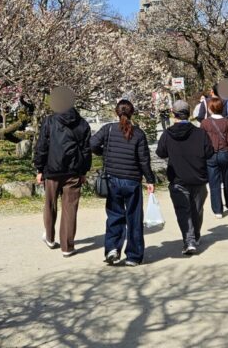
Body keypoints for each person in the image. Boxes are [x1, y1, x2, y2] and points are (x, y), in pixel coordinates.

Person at [92, 99, 157, 266]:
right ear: (132, 112)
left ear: (116, 112)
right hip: (132, 180)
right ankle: (133, 256)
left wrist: (103, 152)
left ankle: (112, 248)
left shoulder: (108, 129)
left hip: (113, 179)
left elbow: (91, 144)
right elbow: (144, 161)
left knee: (114, 215)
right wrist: (150, 180)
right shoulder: (139, 134)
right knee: (134, 218)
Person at [34, 86, 92, 257]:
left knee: (50, 205)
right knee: (70, 208)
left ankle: (50, 238)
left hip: (52, 170)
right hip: (73, 171)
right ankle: (67, 246)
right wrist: (83, 172)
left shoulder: (49, 121)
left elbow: (42, 147)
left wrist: (39, 168)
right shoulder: (82, 124)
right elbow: (86, 151)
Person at [156, 100, 214, 255]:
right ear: (188, 114)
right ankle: (194, 236)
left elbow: (160, 152)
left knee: (183, 210)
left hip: (178, 177)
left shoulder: (168, 134)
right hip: (198, 176)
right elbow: (209, 152)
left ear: (173, 114)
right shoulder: (200, 133)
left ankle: (189, 240)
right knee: (196, 209)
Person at [202, 97, 228, 219]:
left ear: (210, 108)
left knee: (214, 183)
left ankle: (218, 210)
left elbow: (201, 141)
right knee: (227, 180)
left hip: (211, 155)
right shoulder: (227, 122)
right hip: (225, 153)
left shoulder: (205, 123)